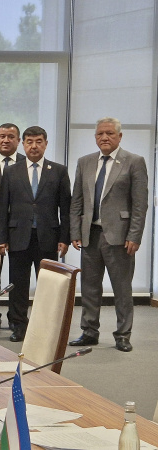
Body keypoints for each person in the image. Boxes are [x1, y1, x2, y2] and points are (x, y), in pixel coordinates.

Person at [69, 117, 148, 352]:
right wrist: (75, 230)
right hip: (90, 235)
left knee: (122, 288)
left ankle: (123, 334)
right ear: (95, 137)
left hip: (120, 237)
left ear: (119, 136)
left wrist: (135, 235)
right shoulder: (85, 162)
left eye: (110, 134)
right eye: (100, 134)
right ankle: (89, 332)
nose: (104, 137)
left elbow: (140, 204)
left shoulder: (134, 162)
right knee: (90, 287)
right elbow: (77, 202)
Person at [0, 126, 71, 342]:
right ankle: (18, 325)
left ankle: (46, 327)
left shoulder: (58, 171)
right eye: (29, 141)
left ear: (46, 144)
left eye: (38, 141)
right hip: (18, 235)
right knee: (18, 284)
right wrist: (1, 239)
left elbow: (65, 209)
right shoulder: (11, 171)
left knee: (48, 286)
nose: (34, 146)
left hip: (48, 237)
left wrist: (64, 238)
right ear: (22, 144)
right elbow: (3, 207)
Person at [0, 123, 26, 330]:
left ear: (18, 141)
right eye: (2, 136)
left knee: (18, 277)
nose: (6, 140)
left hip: (21, 229)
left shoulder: (27, 163)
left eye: (11, 137)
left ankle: (16, 319)